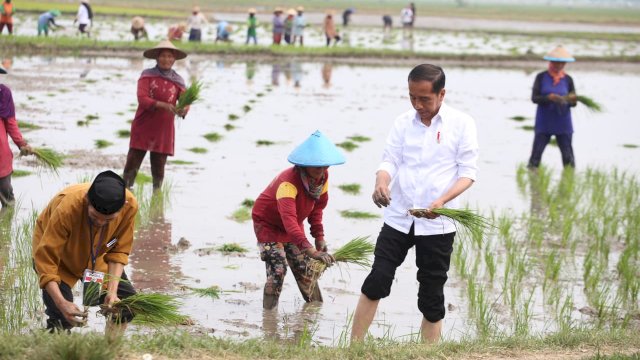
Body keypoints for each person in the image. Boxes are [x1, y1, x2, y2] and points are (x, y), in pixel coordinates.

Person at [351, 64, 479, 343]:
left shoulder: (462, 123)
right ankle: (353, 348)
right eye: (412, 97)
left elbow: (468, 173)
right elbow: (390, 160)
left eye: (424, 99)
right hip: (398, 217)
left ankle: (428, 353)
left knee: (432, 291)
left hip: (438, 223)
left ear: (441, 94)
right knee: (377, 279)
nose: (417, 104)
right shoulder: (402, 122)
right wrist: (381, 182)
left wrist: (442, 201)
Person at [32, 170, 139, 333]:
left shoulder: (129, 205)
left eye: (108, 220)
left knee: (125, 306)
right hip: (60, 259)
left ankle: (110, 351)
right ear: (86, 200)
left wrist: (112, 292)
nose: (100, 223)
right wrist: (62, 303)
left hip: (98, 258)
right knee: (61, 318)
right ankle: (55, 350)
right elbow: (47, 262)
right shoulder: (67, 208)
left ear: (122, 207)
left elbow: (119, 251)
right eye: (94, 217)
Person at [252, 130, 343, 309]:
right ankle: (269, 317)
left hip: (292, 225)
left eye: (326, 166)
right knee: (278, 269)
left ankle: (314, 310)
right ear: (304, 164)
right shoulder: (288, 183)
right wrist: (310, 250)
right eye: (318, 166)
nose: (322, 170)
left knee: (306, 269)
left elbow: (316, 209)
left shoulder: (321, 178)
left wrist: (319, 237)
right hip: (268, 224)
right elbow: (289, 221)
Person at [123, 40, 189, 190]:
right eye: (163, 56)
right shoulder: (147, 76)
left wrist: (183, 110)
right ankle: (125, 194)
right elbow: (142, 99)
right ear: (157, 58)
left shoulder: (178, 81)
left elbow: (185, 102)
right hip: (143, 126)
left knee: (159, 169)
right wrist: (163, 105)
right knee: (132, 165)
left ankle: (157, 200)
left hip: (163, 130)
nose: (166, 59)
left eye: (169, 56)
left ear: (174, 59)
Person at [527, 45, 577, 169]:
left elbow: (574, 103)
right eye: (556, 62)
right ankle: (533, 176)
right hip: (544, 122)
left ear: (565, 64)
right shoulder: (541, 77)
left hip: (563, 122)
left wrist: (569, 100)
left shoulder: (568, 79)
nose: (558, 66)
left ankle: (569, 178)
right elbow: (535, 98)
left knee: (568, 156)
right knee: (536, 155)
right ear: (551, 62)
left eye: (562, 63)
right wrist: (549, 98)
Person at [0, 65, 32, 208]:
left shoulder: (4, 93)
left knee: (7, 200)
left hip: (1, 156)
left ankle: (5, 228)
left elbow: (11, 123)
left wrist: (21, 143)